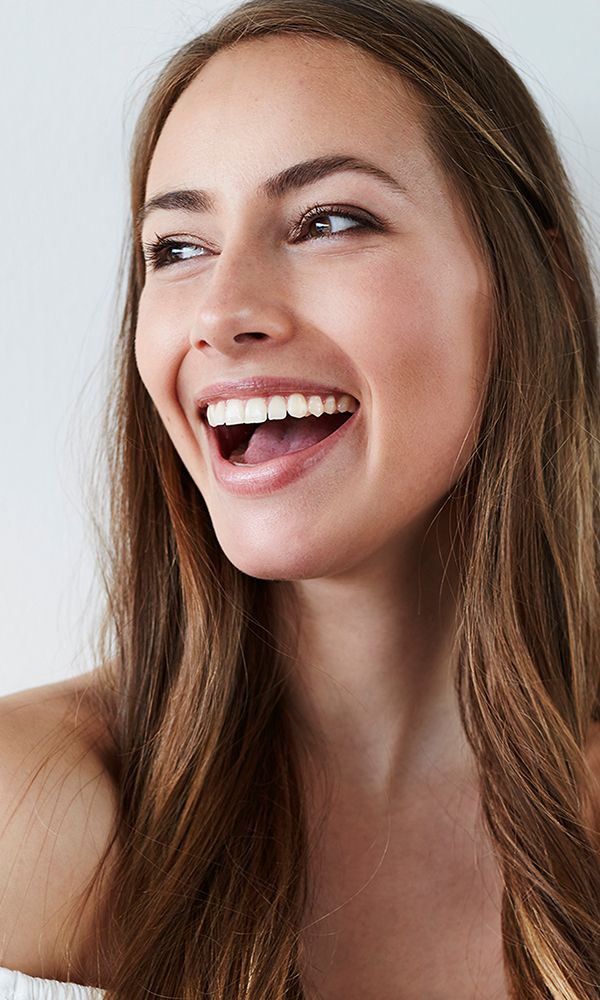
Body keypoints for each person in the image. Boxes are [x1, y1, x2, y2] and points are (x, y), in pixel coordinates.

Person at [1, 0, 599, 997]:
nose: (224, 314)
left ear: (524, 271)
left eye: (329, 221)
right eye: (177, 249)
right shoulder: (33, 804)